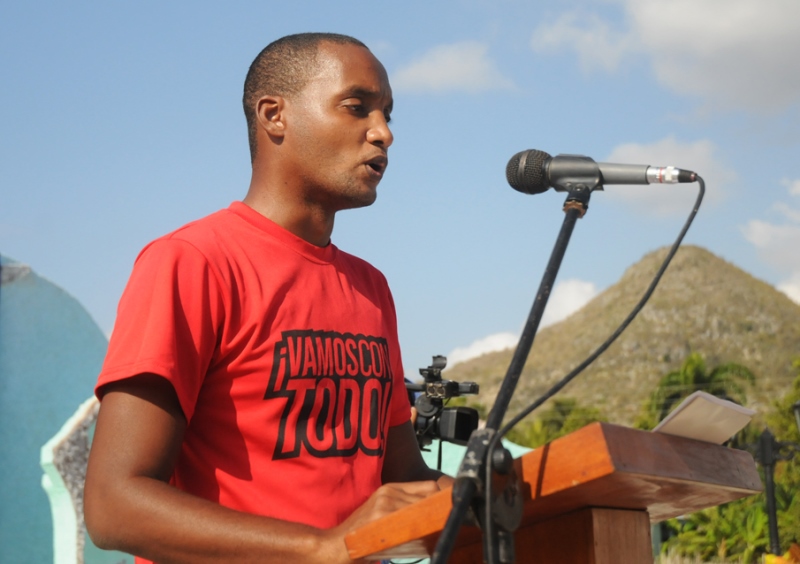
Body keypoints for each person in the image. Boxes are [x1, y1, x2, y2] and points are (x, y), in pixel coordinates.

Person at [84, 32, 450, 564]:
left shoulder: (371, 289)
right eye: (357, 108)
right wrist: (322, 548)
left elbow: (404, 481)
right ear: (274, 115)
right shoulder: (192, 262)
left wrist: (502, 492)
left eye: (388, 114)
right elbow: (113, 506)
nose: (384, 133)